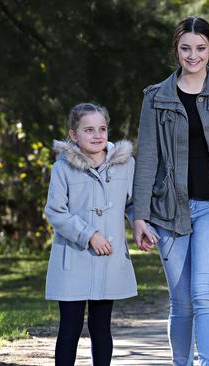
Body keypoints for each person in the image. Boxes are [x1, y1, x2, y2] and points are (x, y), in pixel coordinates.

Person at [132, 16, 209, 366]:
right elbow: (147, 158)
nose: (193, 55)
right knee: (181, 301)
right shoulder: (156, 97)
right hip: (169, 211)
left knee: (204, 294)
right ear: (176, 50)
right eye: (186, 48)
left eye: (200, 48)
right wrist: (140, 216)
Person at [44, 103, 138, 366]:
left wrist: (142, 227)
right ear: (74, 135)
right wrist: (89, 235)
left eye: (102, 129)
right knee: (70, 330)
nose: (97, 135)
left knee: (101, 328)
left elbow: (132, 204)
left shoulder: (125, 165)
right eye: (88, 130)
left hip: (108, 258)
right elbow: (55, 212)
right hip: (73, 259)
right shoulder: (62, 169)